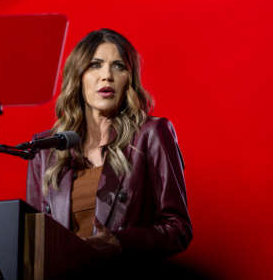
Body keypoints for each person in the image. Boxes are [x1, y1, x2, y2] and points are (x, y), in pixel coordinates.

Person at [26, 28, 192, 260]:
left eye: (118, 66)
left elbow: (179, 229)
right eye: (95, 65)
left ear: (129, 80)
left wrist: (120, 242)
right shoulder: (46, 148)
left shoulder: (151, 134)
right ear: (78, 76)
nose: (107, 76)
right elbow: (33, 242)